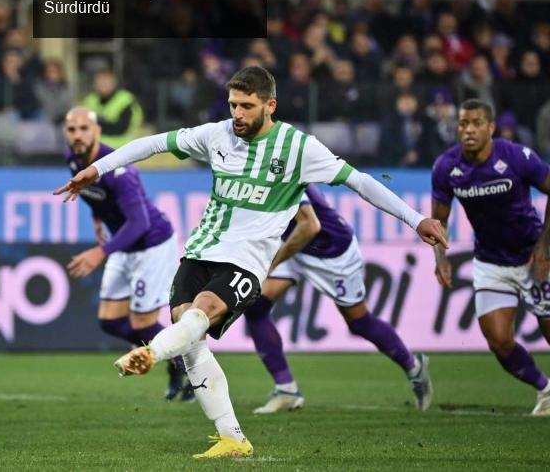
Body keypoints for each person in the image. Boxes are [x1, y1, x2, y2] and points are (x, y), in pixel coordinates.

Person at [55, 67, 447, 459]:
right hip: (200, 250)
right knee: (190, 337)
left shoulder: (299, 148)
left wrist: (417, 220)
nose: (237, 114)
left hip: (248, 262)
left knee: (199, 318)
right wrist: (96, 169)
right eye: (233, 105)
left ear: (269, 105)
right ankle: (232, 438)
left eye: (246, 106)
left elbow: (360, 181)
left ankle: (151, 354)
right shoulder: (217, 134)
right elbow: (154, 143)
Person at [247, 184, 432, 414]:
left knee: (359, 322)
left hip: (332, 252)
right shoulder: (254, 169)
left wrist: (272, 262)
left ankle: (414, 367)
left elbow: (309, 225)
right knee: (255, 306)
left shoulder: (285, 169)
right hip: (294, 246)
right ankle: (286, 390)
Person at [432, 98, 550, 416]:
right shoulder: (446, 167)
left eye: (476, 123)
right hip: (489, 261)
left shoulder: (516, 156)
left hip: (532, 258)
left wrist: (544, 247)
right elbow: (439, 220)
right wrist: (440, 258)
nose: (468, 130)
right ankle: (546, 390)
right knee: (499, 341)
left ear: (491, 127)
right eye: (463, 124)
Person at [63, 107, 189, 401]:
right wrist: (98, 218)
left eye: (84, 129)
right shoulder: (73, 159)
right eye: (72, 130)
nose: (78, 135)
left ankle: (184, 362)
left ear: (97, 132)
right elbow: (92, 193)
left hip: (150, 245)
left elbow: (140, 222)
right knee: (110, 321)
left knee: (143, 323)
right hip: (124, 244)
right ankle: (173, 356)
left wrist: (100, 252)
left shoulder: (119, 171)